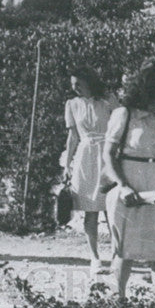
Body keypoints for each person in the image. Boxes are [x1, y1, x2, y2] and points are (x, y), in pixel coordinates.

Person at [102, 58, 155, 299]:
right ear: (147, 89)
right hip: (130, 183)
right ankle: (119, 303)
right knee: (125, 249)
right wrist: (123, 185)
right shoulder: (124, 114)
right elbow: (108, 153)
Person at [62, 66, 118, 276]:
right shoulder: (72, 104)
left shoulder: (108, 100)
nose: (75, 88)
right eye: (72, 84)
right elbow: (72, 138)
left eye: (79, 84)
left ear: (89, 82)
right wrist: (67, 165)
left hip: (107, 156)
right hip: (85, 158)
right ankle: (95, 258)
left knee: (112, 210)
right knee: (90, 211)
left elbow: (121, 126)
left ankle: (116, 256)